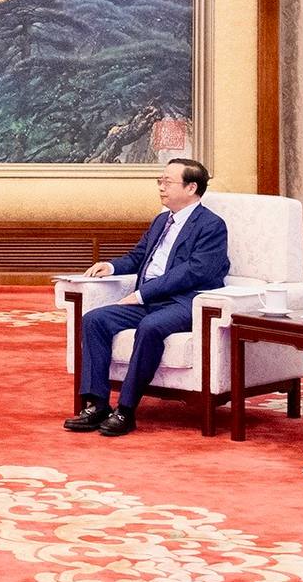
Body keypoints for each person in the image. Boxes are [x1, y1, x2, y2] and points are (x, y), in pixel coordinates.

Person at [65, 157, 230, 437]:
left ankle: (126, 410)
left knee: (150, 327)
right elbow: (139, 256)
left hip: (184, 302)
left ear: (191, 188)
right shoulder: (162, 220)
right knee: (94, 320)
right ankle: (97, 404)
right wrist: (111, 266)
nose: (161, 187)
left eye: (167, 182)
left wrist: (142, 294)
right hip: (149, 299)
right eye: (160, 181)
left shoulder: (211, 225)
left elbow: (193, 272)